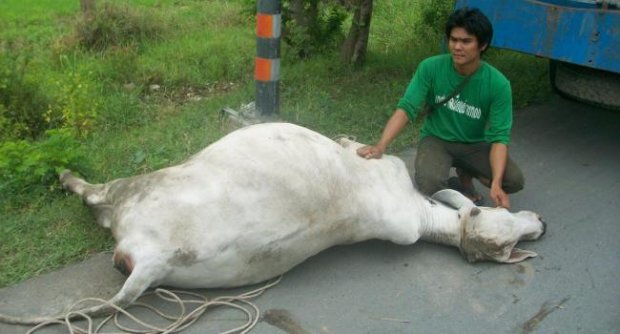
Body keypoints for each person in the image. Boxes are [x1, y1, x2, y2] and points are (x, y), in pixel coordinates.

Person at [357, 7, 524, 208]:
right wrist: (381, 146)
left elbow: (499, 138)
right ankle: (457, 184)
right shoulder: (430, 67)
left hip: (474, 144)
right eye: (453, 40)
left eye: (466, 41)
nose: (457, 47)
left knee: (513, 180)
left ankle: (467, 173)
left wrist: (496, 184)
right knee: (429, 184)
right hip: (437, 140)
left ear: (483, 45)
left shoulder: (498, 84)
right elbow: (406, 108)